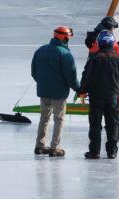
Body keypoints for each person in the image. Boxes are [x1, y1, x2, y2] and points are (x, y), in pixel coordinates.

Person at [78, 30, 119, 160]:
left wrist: (82, 92)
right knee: (112, 124)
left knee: (95, 125)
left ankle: (94, 152)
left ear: (99, 42)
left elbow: (86, 76)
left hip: (96, 97)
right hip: (113, 97)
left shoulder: (95, 57)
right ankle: (112, 152)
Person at [30, 26, 81, 157]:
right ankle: (55, 147)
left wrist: (43, 83)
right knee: (59, 119)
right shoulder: (65, 54)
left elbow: (34, 72)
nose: (69, 38)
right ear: (64, 37)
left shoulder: (41, 50)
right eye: (68, 36)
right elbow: (71, 76)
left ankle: (40, 146)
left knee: (44, 118)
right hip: (58, 93)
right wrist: (79, 89)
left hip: (43, 92)